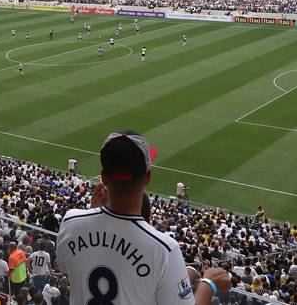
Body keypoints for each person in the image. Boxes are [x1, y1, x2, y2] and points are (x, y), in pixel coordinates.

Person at [56, 130, 232, 305]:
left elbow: (74, 265)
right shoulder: (164, 249)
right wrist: (209, 284)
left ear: (103, 177)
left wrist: (92, 213)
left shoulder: (71, 222)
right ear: (147, 178)